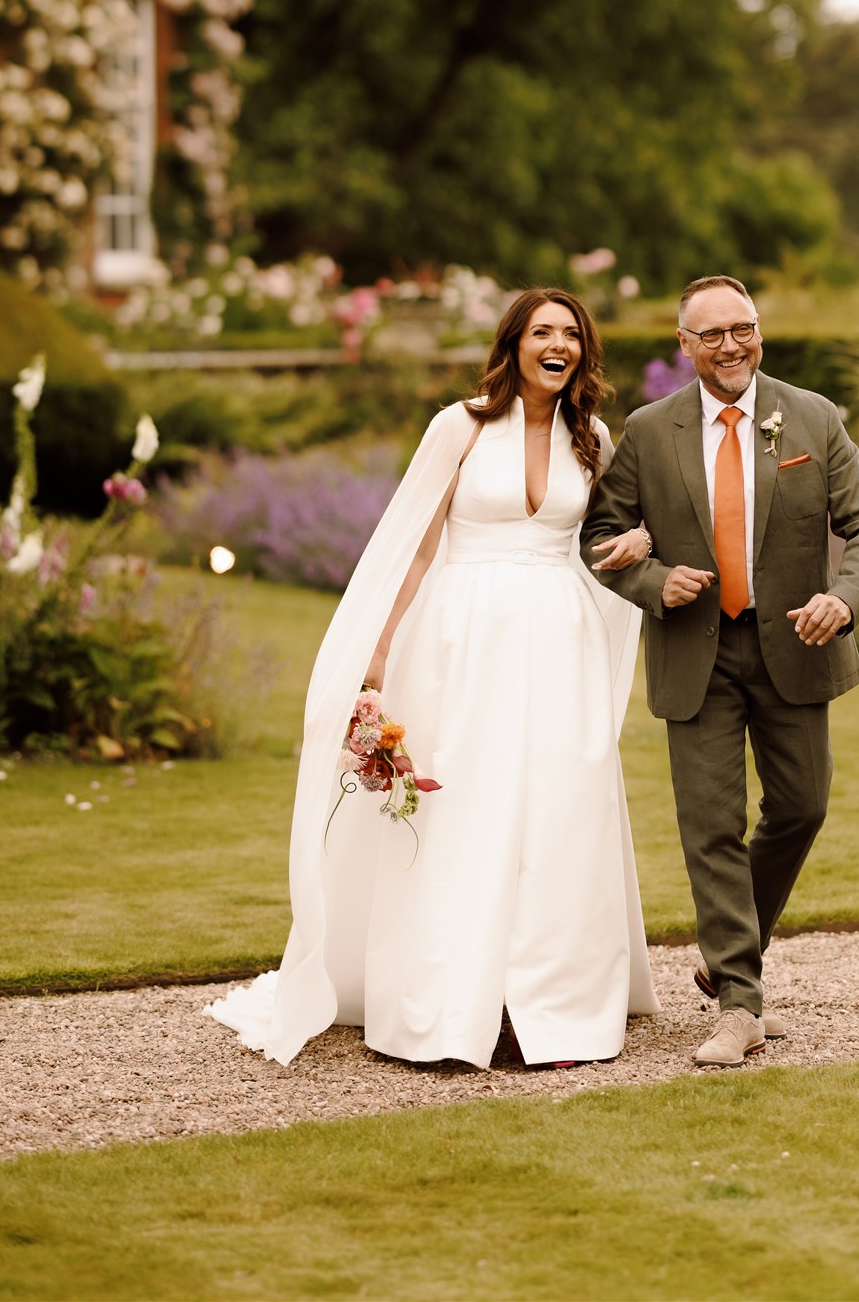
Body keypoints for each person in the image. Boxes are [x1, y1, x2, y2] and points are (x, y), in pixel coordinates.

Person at [209, 288, 659, 1068]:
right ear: (513, 343)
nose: (559, 345)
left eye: (572, 335)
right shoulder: (460, 424)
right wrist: (378, 653)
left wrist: (634, 543)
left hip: (559, 640)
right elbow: (415, 547)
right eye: (542, 332)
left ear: (584, 352)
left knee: (560, 807)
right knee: (466, 809)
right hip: (463, 637)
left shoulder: (591, 437)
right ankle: (447, 1006)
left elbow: (603, 538)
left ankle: (555, 1011)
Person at [580, 274, 859, 1067]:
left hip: (794, 644)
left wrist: (844, 599)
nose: (729, 346)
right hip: (696, 652)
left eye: (741, 329)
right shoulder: (650, 432)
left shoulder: (812, 417)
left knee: (801, 806)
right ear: (683, 346)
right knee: (710, 827)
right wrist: (654, 583)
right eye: (710, 334)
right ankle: (738, 1005)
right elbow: (601, 537)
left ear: (759, 332)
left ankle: (727, 957)